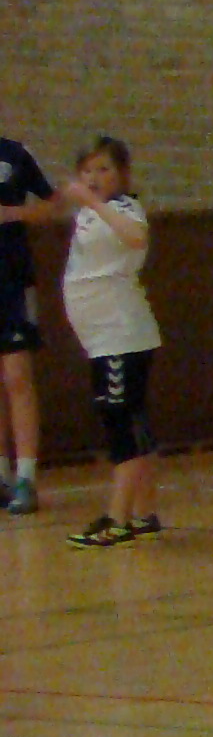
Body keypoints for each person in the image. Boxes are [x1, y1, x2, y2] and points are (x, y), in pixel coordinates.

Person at [56, 137, 162, 550]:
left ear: (122, 174)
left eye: (103, 169)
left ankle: (117, 519)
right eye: (87, 170)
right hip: (101, 338)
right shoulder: (89, 213)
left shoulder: (123, 208)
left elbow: (136, 238)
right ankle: (145, 512)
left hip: (121, 334)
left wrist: (92, 202)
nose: (94, 178)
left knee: (121, 423)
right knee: (131, 420)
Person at [0, 125, 52, 514]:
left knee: (17, 375)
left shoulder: (15, 154)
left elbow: (53, 205)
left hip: (13, 282)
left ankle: (26, 477)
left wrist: (14, 213)